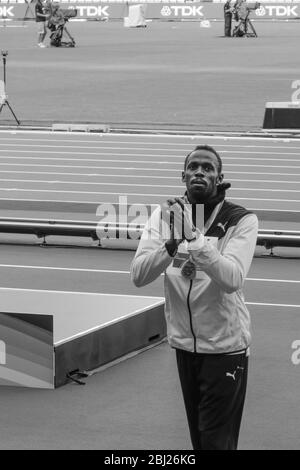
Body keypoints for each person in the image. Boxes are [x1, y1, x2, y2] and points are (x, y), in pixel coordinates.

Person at [130, 145, 258, 450]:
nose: (200, 172)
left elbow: (232, 279)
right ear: (183, 175)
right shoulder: (165, 215)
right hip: (185, 347)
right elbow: (139, 275)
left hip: (225, 349)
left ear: (219, 177)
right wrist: (171, 245)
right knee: (201, 441)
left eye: (208, 168)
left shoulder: (240, 220)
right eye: (194, 167)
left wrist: (193, 239)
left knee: (216, 442)